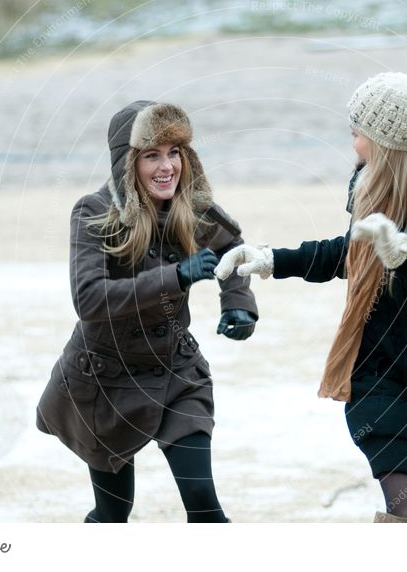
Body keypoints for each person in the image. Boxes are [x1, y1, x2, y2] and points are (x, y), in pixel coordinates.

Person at [216, 73, 407, 523]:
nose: (353, 144)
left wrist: (405, 260)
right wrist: (272, 259)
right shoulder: (369, 180)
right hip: (384, 373)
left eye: (358, 133)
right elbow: (350, 250)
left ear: (385, 141)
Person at [36, 101, 258, 523]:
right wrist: (176, 276)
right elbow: (89, 299)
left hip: (176, 373)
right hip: (106, 382)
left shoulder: (191, 207)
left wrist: (239, 304)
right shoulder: (93, 212)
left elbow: (233, 248)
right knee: (114, 513)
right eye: (152, 155)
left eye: (174, 152)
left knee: (204, 503)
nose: (167, 166)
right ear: (127, 162)